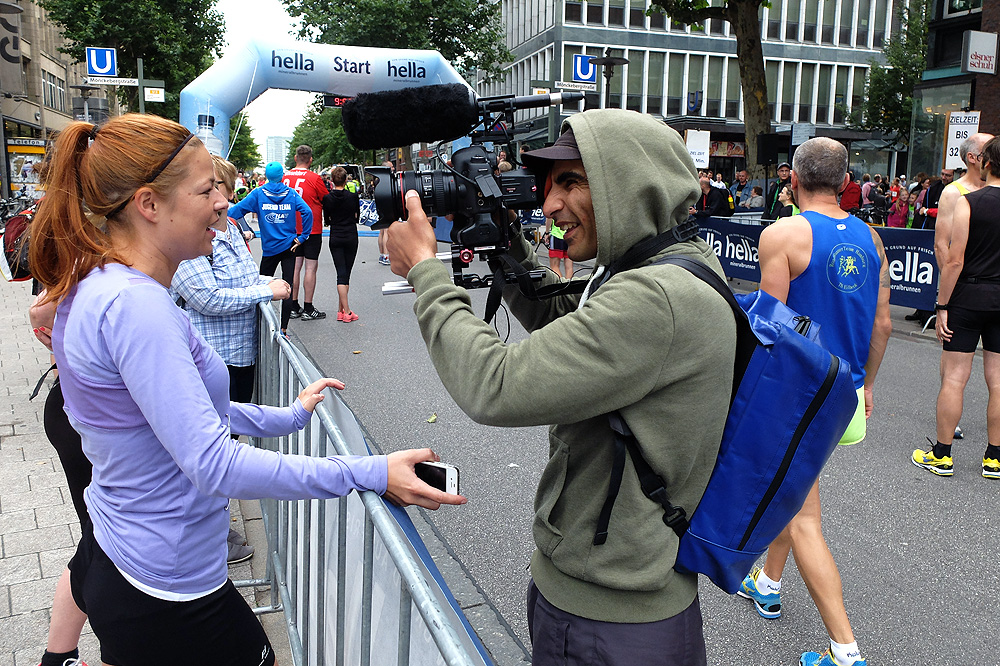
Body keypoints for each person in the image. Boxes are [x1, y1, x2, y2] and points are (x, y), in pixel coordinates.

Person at [27, 114, 464, 666]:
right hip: (170, 586)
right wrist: (367, 472)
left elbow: (176, 413)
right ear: (148, 204)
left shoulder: (102, 283)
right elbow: (214, 463)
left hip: (129, 556)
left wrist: (288, 416)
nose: (223, 204)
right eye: (207, 188)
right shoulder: (136, 308)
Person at [385, 109, 736, 665]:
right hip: (615, 594)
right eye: (548, 186)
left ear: (630, 181)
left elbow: (493, 385)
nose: (549, 204)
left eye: (572, 181)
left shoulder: (656, 298)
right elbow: (570, 329)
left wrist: (427, 273)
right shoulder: (666, 266)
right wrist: (507, 247)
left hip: (608, 616)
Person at [738, 137, 891, 666]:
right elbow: (883, 326)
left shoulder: (782, 233)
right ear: (846, 182)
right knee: (798, 490)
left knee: (805, 517)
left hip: (802, 396)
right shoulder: (871, 238)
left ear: (792, 179)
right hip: (845, 395)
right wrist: (867, 385)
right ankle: (769, 584)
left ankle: (845, 650)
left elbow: (768, 328)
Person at [912, 134, 1000, 479]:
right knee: (998, 381)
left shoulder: (970, 202)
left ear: (987, 163)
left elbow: (954, 260)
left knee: (954, 377)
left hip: (968, 296)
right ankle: (994, 458)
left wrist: (942, 305)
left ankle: (942, 455)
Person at [227, 161, 311, 334]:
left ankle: (260, 327)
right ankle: (284, 329)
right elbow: (307, 212)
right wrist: (303, 237)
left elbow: (234, 212)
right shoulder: (291, 194)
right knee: (288, 285)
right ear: (282, 176)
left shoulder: (258, 193)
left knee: (261, 288)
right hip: (290, 246)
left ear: (266, 176)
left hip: (270, 249)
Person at [283, 145, 328, 321]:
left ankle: (293, 305)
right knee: (310, 267)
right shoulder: (315, 178)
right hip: (311, 229)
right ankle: (308, 307)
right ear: (310, 159)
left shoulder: (285, 177)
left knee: (295, 266)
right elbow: (325, 198)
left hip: (290, 228)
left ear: (295, 158)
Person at [322, 166, 361, 322]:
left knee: (341, 273)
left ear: (332, 181)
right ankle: (348, 312)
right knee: (346, 275)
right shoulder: (353, 197)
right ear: (346, 180)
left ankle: (341, 310)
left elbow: (327, 219)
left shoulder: (327, 198)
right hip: (350, 234)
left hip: (335, 235)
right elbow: (357, 216)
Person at [378, 160, 394, 265]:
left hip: (380, 204)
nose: (393, 168)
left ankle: (382, 254)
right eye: (392, 167)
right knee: (387, 230)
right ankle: (387, 255)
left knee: (382, 230)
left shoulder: (378, 178)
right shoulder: (388, 178)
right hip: (388, 204)